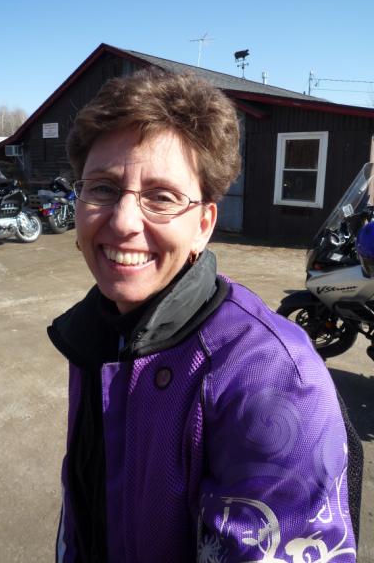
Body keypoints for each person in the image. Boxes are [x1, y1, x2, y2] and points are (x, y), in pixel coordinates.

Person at [48, 68, 360, 562]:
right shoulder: (93, 333)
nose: (124, 222)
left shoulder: (274, 379)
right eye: (103, 188)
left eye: (162, 197)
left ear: (204, 225)